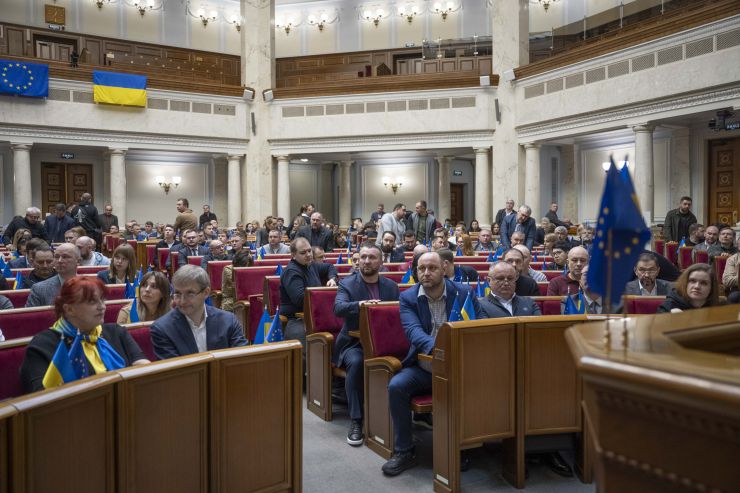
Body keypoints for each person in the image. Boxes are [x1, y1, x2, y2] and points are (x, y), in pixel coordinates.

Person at [382, 251, 481, 476]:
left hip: (460, 366)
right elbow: (413, 332)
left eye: (432, 268)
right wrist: (441, 350)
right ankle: (404, 451)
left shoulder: (463, 291)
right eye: (421, 269)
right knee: (397, 386)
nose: (426, 273)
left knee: (476, 386)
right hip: (425, 367)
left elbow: (480, 322)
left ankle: (462, 444)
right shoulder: (408, 297)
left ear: (444, 268)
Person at [19, 276, 149, 393]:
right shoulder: (42, 345)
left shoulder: (116, 331)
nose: (102, 307)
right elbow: (40, 398)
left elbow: (142, 365)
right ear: (69, 309)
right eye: (92, 301)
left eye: (102, 300)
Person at [334, 242, 400, 447]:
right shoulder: (348, 283)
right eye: (363, 257)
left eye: (372, 257)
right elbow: (339, 308)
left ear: (381, 262)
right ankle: (356, 420)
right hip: (354, 343)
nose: (366, 261)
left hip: (383, 342)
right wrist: (360, 305)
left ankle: (399, 416)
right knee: (357, 363)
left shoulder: (390, 286)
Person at [151, 265, 247, 359]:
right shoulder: (162, 329)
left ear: (206, 292)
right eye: (178, 293)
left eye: (190, 293)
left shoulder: (228, 321)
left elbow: (241, 361)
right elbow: (175, 372)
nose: (182, 301)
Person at [280, 238, 338, 355]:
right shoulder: (292, 272)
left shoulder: (311, 265)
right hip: (297, 319)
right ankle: (307, 373)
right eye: (303, 253)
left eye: (309, 251)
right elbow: (301, 299)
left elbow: (329, 267)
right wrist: (325, 296)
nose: (308, 255)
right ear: (293, 255)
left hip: (316, 315)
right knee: (312, 345)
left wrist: (332, 278)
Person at [657, 263, 722, 313]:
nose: (697, 286)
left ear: (711, 287)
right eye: (692, 281)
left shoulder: (720, 306)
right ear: (685, 283)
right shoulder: (669, 306)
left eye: (703, 283)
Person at [722, 236, 740, 304]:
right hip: (738, 289)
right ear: (738, 246)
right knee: (734, 297)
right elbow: (727, 280)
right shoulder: (732, 259)